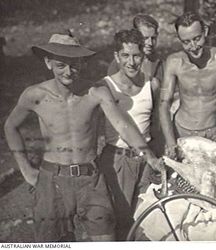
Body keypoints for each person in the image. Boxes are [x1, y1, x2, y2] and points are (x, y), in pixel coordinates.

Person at [4, 32, 163, 242]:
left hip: (90, 180)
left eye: (75, 64)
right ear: (48, 63)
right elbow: (10, 127)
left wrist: (150, 157)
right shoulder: (35, 95)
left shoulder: (95, 92)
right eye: (61, 65)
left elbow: (123, 125)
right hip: (52, 180)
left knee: (107, 239)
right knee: (51, 243)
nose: (69, 72)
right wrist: (25, 169)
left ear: (82, 62)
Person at [98, 29, 160, 240]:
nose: (131, 62)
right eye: (125, 55)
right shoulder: (105, 86)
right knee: (120, 222)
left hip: (147, 162)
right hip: (118, 161)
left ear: (143, 55)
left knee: (146, 223)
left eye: (136, 55)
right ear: (116, 56)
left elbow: (156, 125)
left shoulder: (152, 84)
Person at [159, 12, 216, 158]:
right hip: (180, 132)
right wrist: (170, 143)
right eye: (186, 42)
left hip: (209, 134)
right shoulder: (174, 62)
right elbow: (163, 103)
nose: (193, 46)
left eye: (197, 39)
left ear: (205, 31)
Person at [108, 14, 165, 158]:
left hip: (151, 135)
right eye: (145, 38)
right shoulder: (118, 65)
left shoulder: (159, 64)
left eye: (153, 38)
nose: (150, 43)